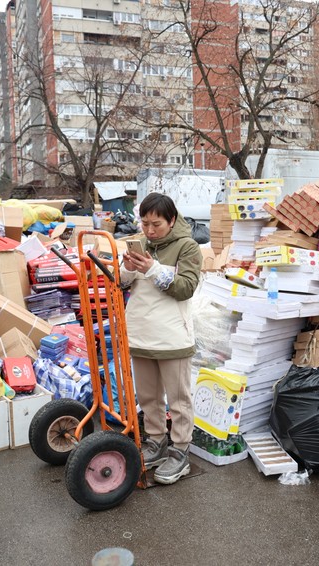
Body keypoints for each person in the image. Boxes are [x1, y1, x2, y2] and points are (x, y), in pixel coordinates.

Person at [121, 193, 201, 485]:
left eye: (156, 224)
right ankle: (156, 440)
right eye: (144, 224)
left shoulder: (187, 247)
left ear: (172, 220)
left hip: (172, 338)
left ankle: (180, 450)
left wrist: (152, 269)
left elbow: (185, 288)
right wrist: (128, 268)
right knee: (149, 397)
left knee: (178, 399)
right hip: (141, 334)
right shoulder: (140, 244)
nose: (150, 230)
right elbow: (120, 283)